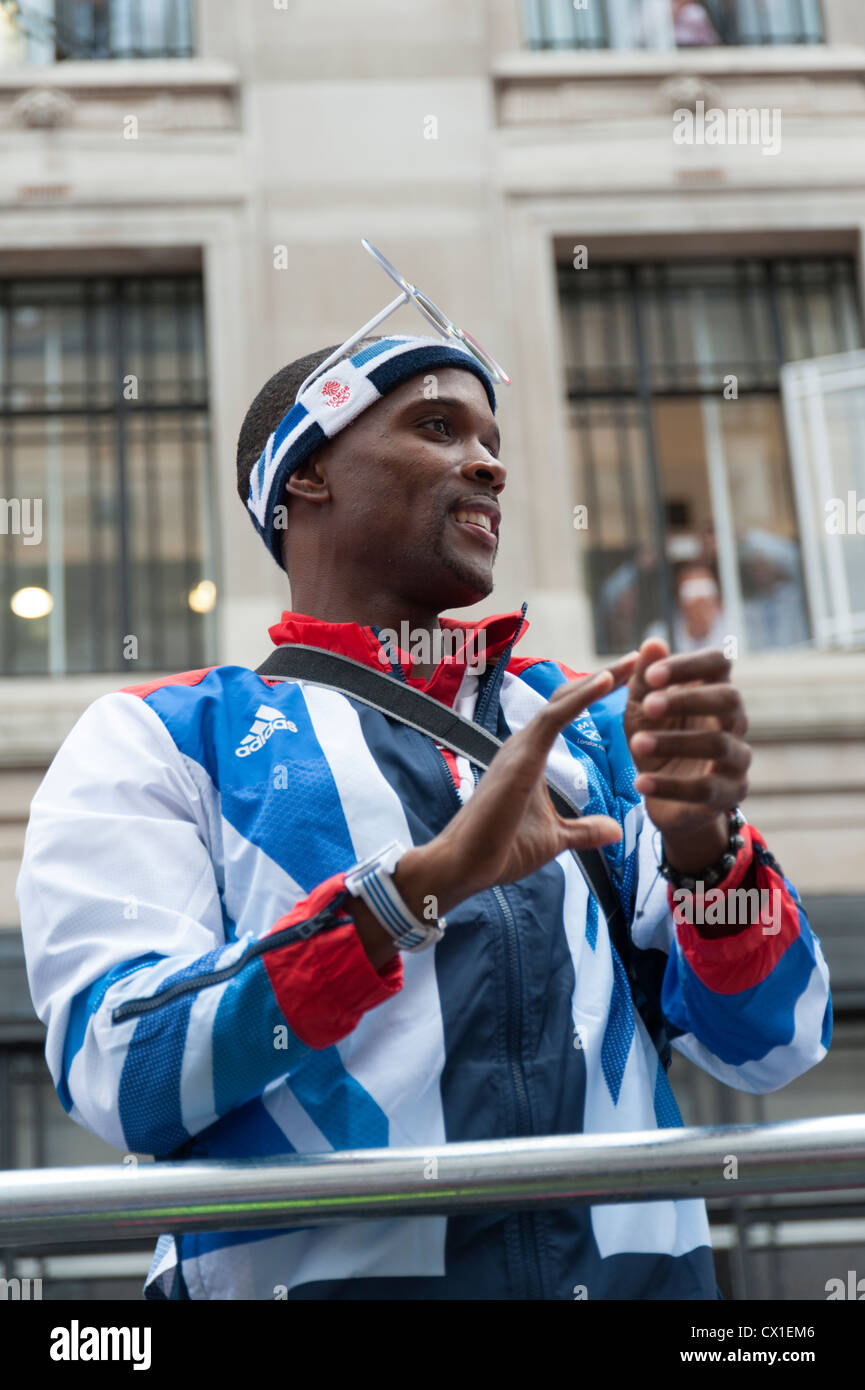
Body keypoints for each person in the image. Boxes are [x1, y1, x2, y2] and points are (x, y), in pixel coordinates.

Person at [17, 323, 831, 1301]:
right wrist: (406, 895)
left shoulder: (599, 724)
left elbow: (776, 1043)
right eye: (437, 426)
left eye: (492, 439)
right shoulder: (162, 737)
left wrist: (708, 857)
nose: (486, 463)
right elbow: (125, 1071)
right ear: (306, 475)